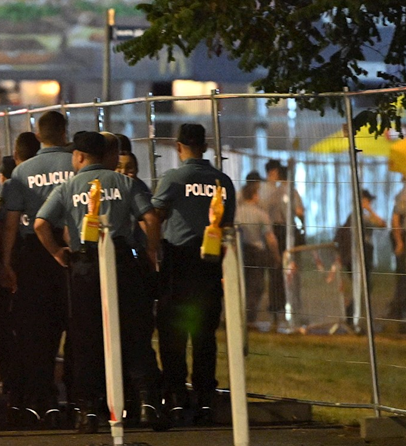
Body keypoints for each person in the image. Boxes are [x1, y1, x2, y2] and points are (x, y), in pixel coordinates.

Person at [34, 131, 166, 434]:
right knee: (135, 333)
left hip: (85, 267)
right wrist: (150, 251)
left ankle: (88, 411)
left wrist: (56, 252)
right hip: (121, 262)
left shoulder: (68, 187)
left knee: (86, 339)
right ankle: (147, 404)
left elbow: (41, 224)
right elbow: (151, 219)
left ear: (79, 156)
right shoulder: (124, 182)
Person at [152, 124, 235, 425]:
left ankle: (176, 396)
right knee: (204, 334)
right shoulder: (223, 182)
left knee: (173, 333)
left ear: (178, 147)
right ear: (205, 146)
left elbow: (155, 215)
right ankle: (204, 399)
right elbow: (227, 225)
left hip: (178, 263)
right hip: (209, 264)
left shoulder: (173, 179)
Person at [0, 111, 74, 426]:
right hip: (71, 250)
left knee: (38, 333)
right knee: (76, 326)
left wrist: (6, 262)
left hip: (33, 254)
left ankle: (42, 399)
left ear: (39, 135)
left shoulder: (22, 172)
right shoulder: (75, 165)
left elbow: (10, 223)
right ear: (65, 132)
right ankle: (77, 397)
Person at [261, 158, 304, 329]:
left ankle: (277, 311)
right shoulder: (288, 191)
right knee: (289, 271)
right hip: (284, 232)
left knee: (277, 273)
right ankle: (289, 309)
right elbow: (299, 212)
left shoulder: (272, 191)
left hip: (275, 231)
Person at [335, 189, 387, 329]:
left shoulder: (354, 216)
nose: (370, 203)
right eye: (368, 201)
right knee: (363, 287)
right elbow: (382, 224)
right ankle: (352, 317)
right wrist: (369, 209)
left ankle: (352, 316)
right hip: (358, 257)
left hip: (355, 257)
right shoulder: (361, 217)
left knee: (363, 287)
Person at [236, 175, 278, 326]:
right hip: (256, 252)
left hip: (240, 252)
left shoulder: (236, 213)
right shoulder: (261, 214)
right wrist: (275, 254)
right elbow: (270, 238)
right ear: (254, 196)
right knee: (256, 286)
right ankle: (250, 317)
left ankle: (237, 314)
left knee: (242, 283)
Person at [389, 174, 406, 330]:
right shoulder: (404, 195)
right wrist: (399, 241)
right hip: (405, 237)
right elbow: (396, 219)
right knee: (404, 275)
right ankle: (399, 312)